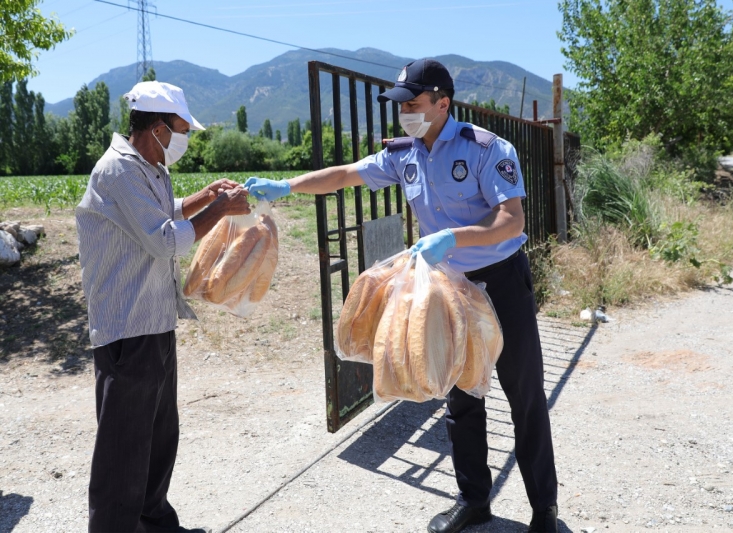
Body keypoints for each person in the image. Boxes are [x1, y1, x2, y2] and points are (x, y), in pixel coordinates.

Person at [243, 59, 560, 533]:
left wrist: (454, 237)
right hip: (451, 288)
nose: (404, 113)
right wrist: (286, 186)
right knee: (459, 394)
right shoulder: (404, 155)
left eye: (413, 104)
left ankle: (543, 512)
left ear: (442, 103)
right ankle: (475, 500)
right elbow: (344, 175)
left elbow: (511, 221)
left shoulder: (486, 148)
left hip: (502, 280)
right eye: (401, 105)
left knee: (524, 394)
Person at [76, 81, 250, 533]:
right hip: (126, 327)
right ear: (156, 128)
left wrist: (206, 198)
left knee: (157, 438)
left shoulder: (149, 167)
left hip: (154, 320)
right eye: (179, 128)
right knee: (123, 449)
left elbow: (163, 213)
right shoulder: (118, 170)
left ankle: (154, 523)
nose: (183, 137)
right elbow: (162, 239)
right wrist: (223, 209)